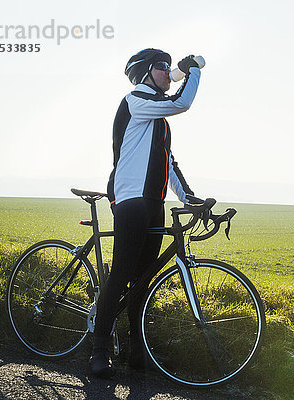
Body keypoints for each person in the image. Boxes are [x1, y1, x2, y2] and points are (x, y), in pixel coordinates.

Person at [89, 48, 202, 378]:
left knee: (143, 278)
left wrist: (189, 197)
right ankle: (99, 348)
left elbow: (168, 161)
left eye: (170, 68)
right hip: (129, 197)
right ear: (144, 73)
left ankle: (136, 345)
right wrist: (193, 71)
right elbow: (182, 102)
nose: (168, 72)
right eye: (161, 67)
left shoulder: (157, 120)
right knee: (123, 271)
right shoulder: (137, 99)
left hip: (153, 202)